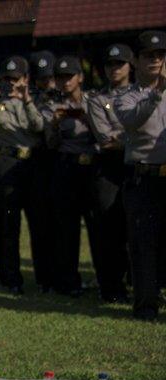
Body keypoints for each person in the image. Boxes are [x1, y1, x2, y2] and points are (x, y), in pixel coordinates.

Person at [0, 56, 44, 295]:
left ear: (25, 79)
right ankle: (10, 277)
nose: (11, 83)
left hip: (32, 165)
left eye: (16, 79)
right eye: (8, 79)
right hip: (6, 164)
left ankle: (44, 277)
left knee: (38, 224)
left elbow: (39, 127)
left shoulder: (34, 101)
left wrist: (26, 100)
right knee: (8, 224)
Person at [115, 30, 166, 321]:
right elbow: (133, 121)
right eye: (149, 55)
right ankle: (146, 305)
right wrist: (157, 93)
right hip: (143, 177)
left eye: (160, 55)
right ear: (136, 60)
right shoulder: (127, 97)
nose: (156, 60)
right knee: (143, 245)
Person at [45, 56, 99, 297]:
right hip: (66, 167)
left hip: (92, 167)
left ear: (80, 77)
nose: (65, 81)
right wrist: (55, 125)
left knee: (98, 228)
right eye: (60, 77)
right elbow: (50, 143)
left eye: (69, 76)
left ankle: (106, 281)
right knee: (66, 228)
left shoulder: (94, 101)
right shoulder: (55, 106)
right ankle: (68, 282)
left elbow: (106, 135)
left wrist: (89, 118)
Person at [86, 43, 133, 303]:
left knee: (137, 230)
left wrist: (125, 138)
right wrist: (135, 136)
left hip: (136, 165)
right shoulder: (97, 100)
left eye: (120, 63)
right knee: (109, 230)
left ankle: (141, 283)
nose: (114, 69)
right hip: (109, 167)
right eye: (110, 65)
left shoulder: (143, 94)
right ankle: (111, 287)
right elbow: (105, 139)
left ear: (130, 65)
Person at [28, 51, 59, 293]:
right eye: (41, 79)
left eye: (49, 78)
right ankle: (44, 278)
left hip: (61, 162)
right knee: (39, 225)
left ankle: (64, 275)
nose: (46, 83)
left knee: (61, 225)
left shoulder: (66, 98)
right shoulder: (30, 100)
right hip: (38, 163)